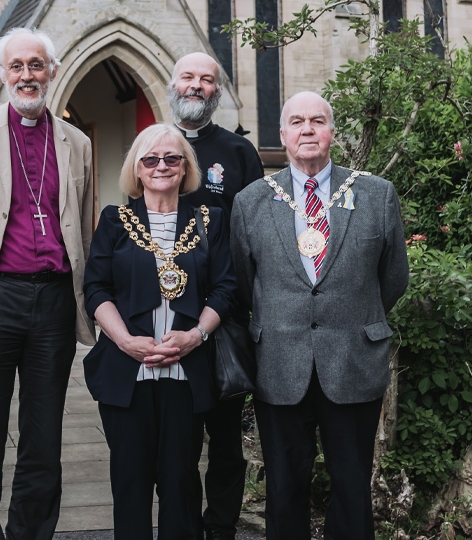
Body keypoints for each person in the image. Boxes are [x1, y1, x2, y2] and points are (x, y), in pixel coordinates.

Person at [0, 27, 96, 540]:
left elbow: (86, 230)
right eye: (16, 66)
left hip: (53, 300)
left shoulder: (79, 143)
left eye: (36, 65)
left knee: (44, 440)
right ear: (3, 74)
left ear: (52, 70)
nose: (27, 75)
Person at [229, 91, 409, 540]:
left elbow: (394, 278)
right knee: (284, 487)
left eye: (317, 121)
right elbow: (243, 280)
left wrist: (351, 314)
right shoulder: (251, 202)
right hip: (280, 364)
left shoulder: (376, 194)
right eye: (297, 122)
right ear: (283, 134)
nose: (307, 130)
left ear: (332, 132)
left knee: (352, 487)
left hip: (352, 360)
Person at [83, 123, 236, 540]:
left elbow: (225, 288)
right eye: (150, 159)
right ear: (136, 168)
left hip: (186, 374)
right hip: (126, 373)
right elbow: (95, 288)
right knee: (130, 484)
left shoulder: (211, 219)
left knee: (181, 483)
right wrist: (124, 340)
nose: (161, 166)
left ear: (186, 166)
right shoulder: (115, 221)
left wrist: (196, 336)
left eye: (171, 158)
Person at [168, 51, 264, 540]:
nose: (196, 86)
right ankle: (182, 525)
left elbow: (255, 235)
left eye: (207, 80)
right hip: (169, 317)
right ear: (172, 83)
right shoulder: (157, 147)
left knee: (226, 439)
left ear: (218, 91)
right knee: (178, 439)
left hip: (225, 316)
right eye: (188, 77)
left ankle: (222, 527)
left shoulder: (238, 152)